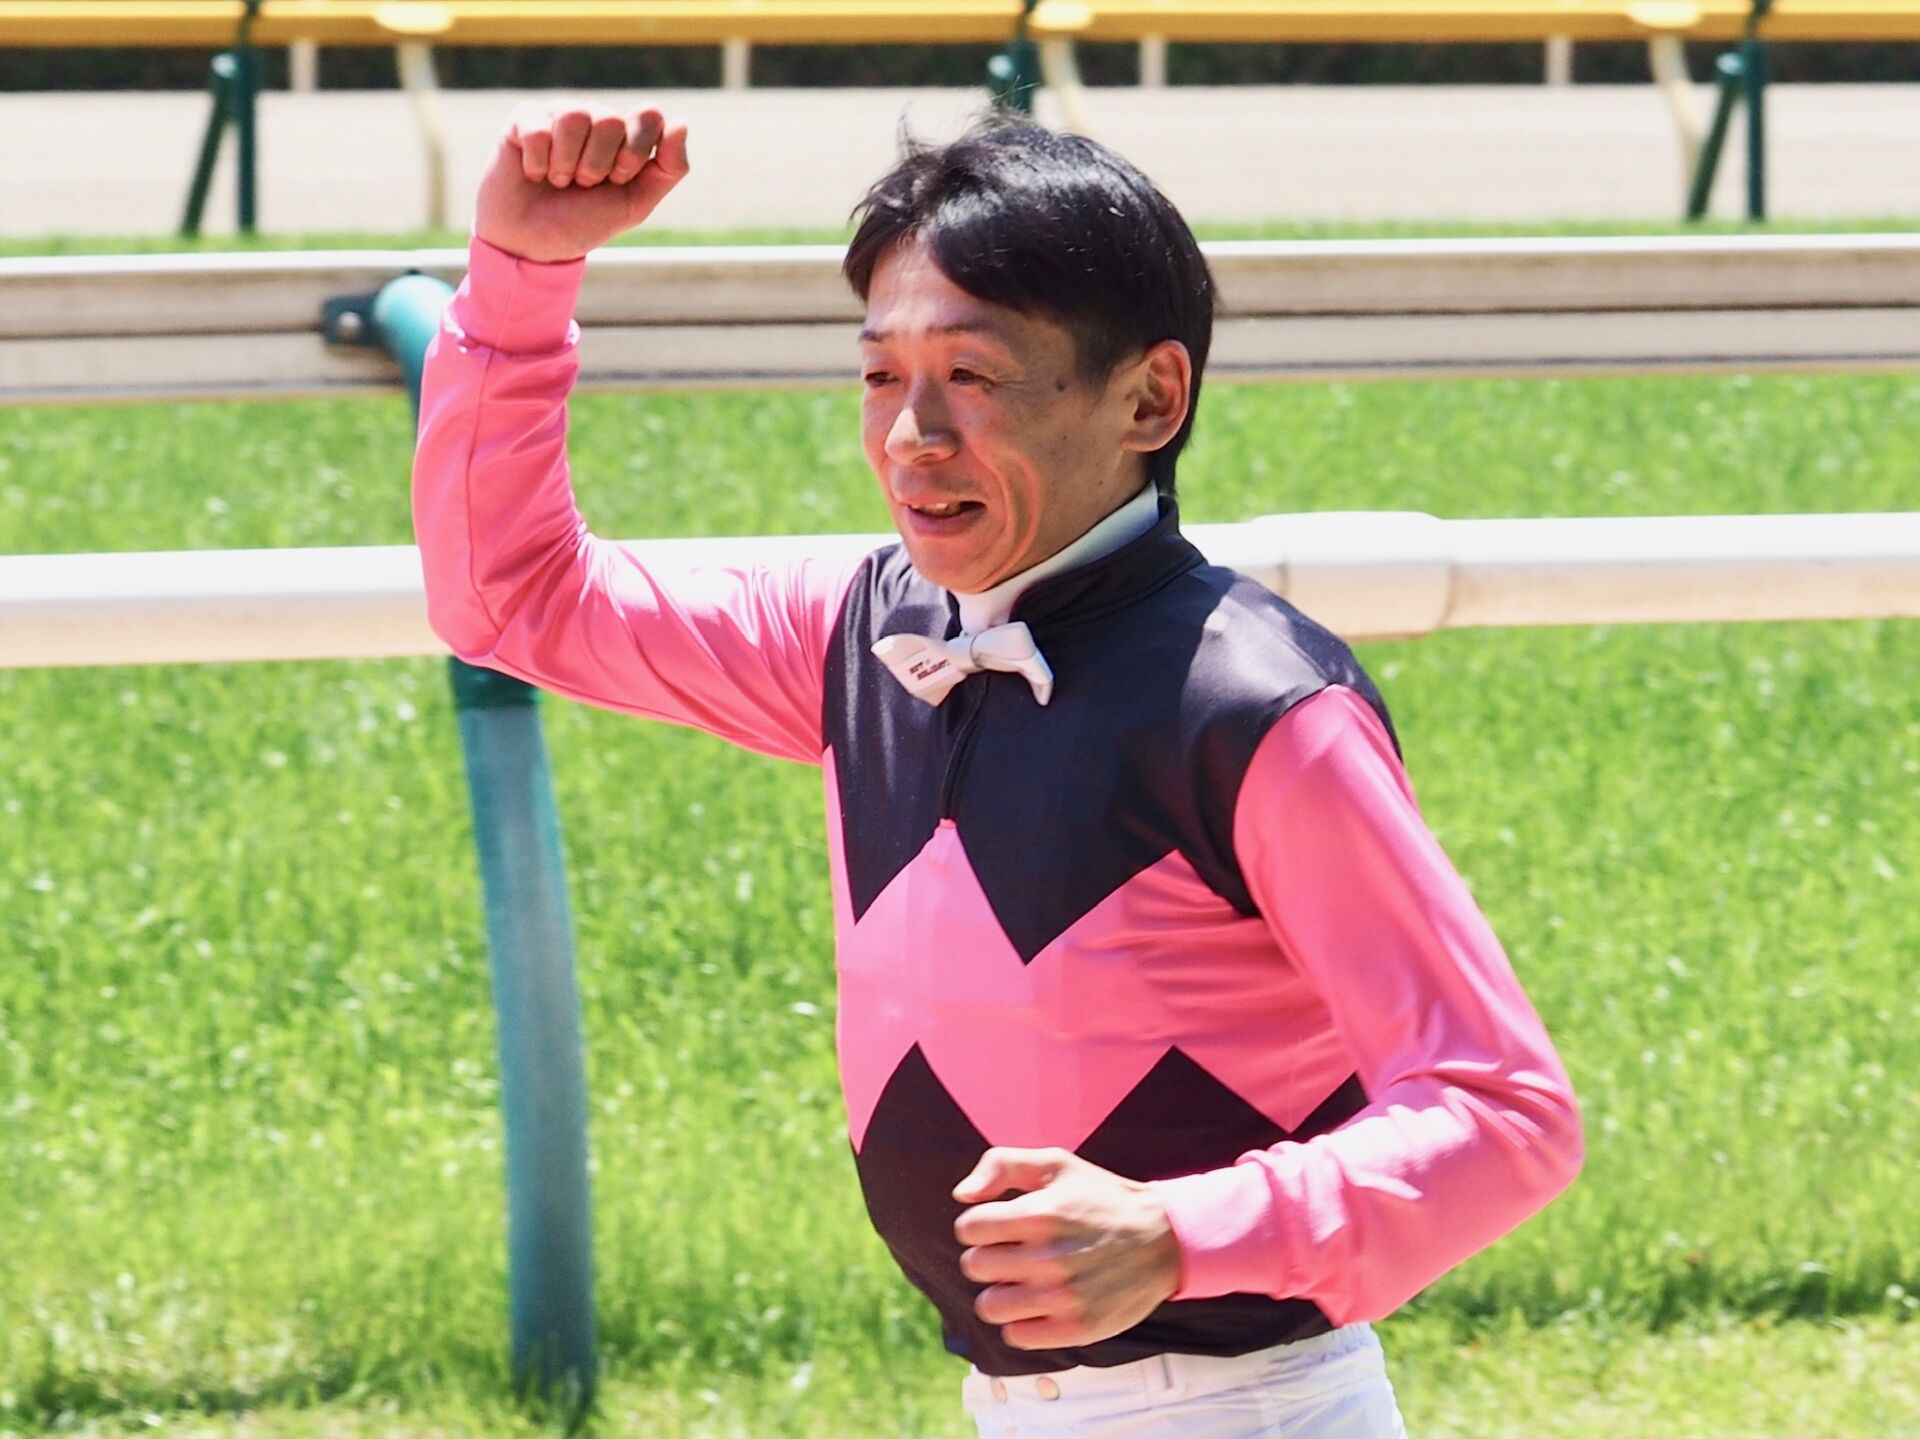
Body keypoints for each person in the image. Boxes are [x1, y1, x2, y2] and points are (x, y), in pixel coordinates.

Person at [413, 99, 1584, 1439]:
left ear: (1150, 398)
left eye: (971, 374)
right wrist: (522, 275)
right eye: (880, 375)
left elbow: (1505, 1114)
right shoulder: (857, 626)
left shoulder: (1254, 705)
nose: (912, 433)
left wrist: (1178, 1232)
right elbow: (510, 597)